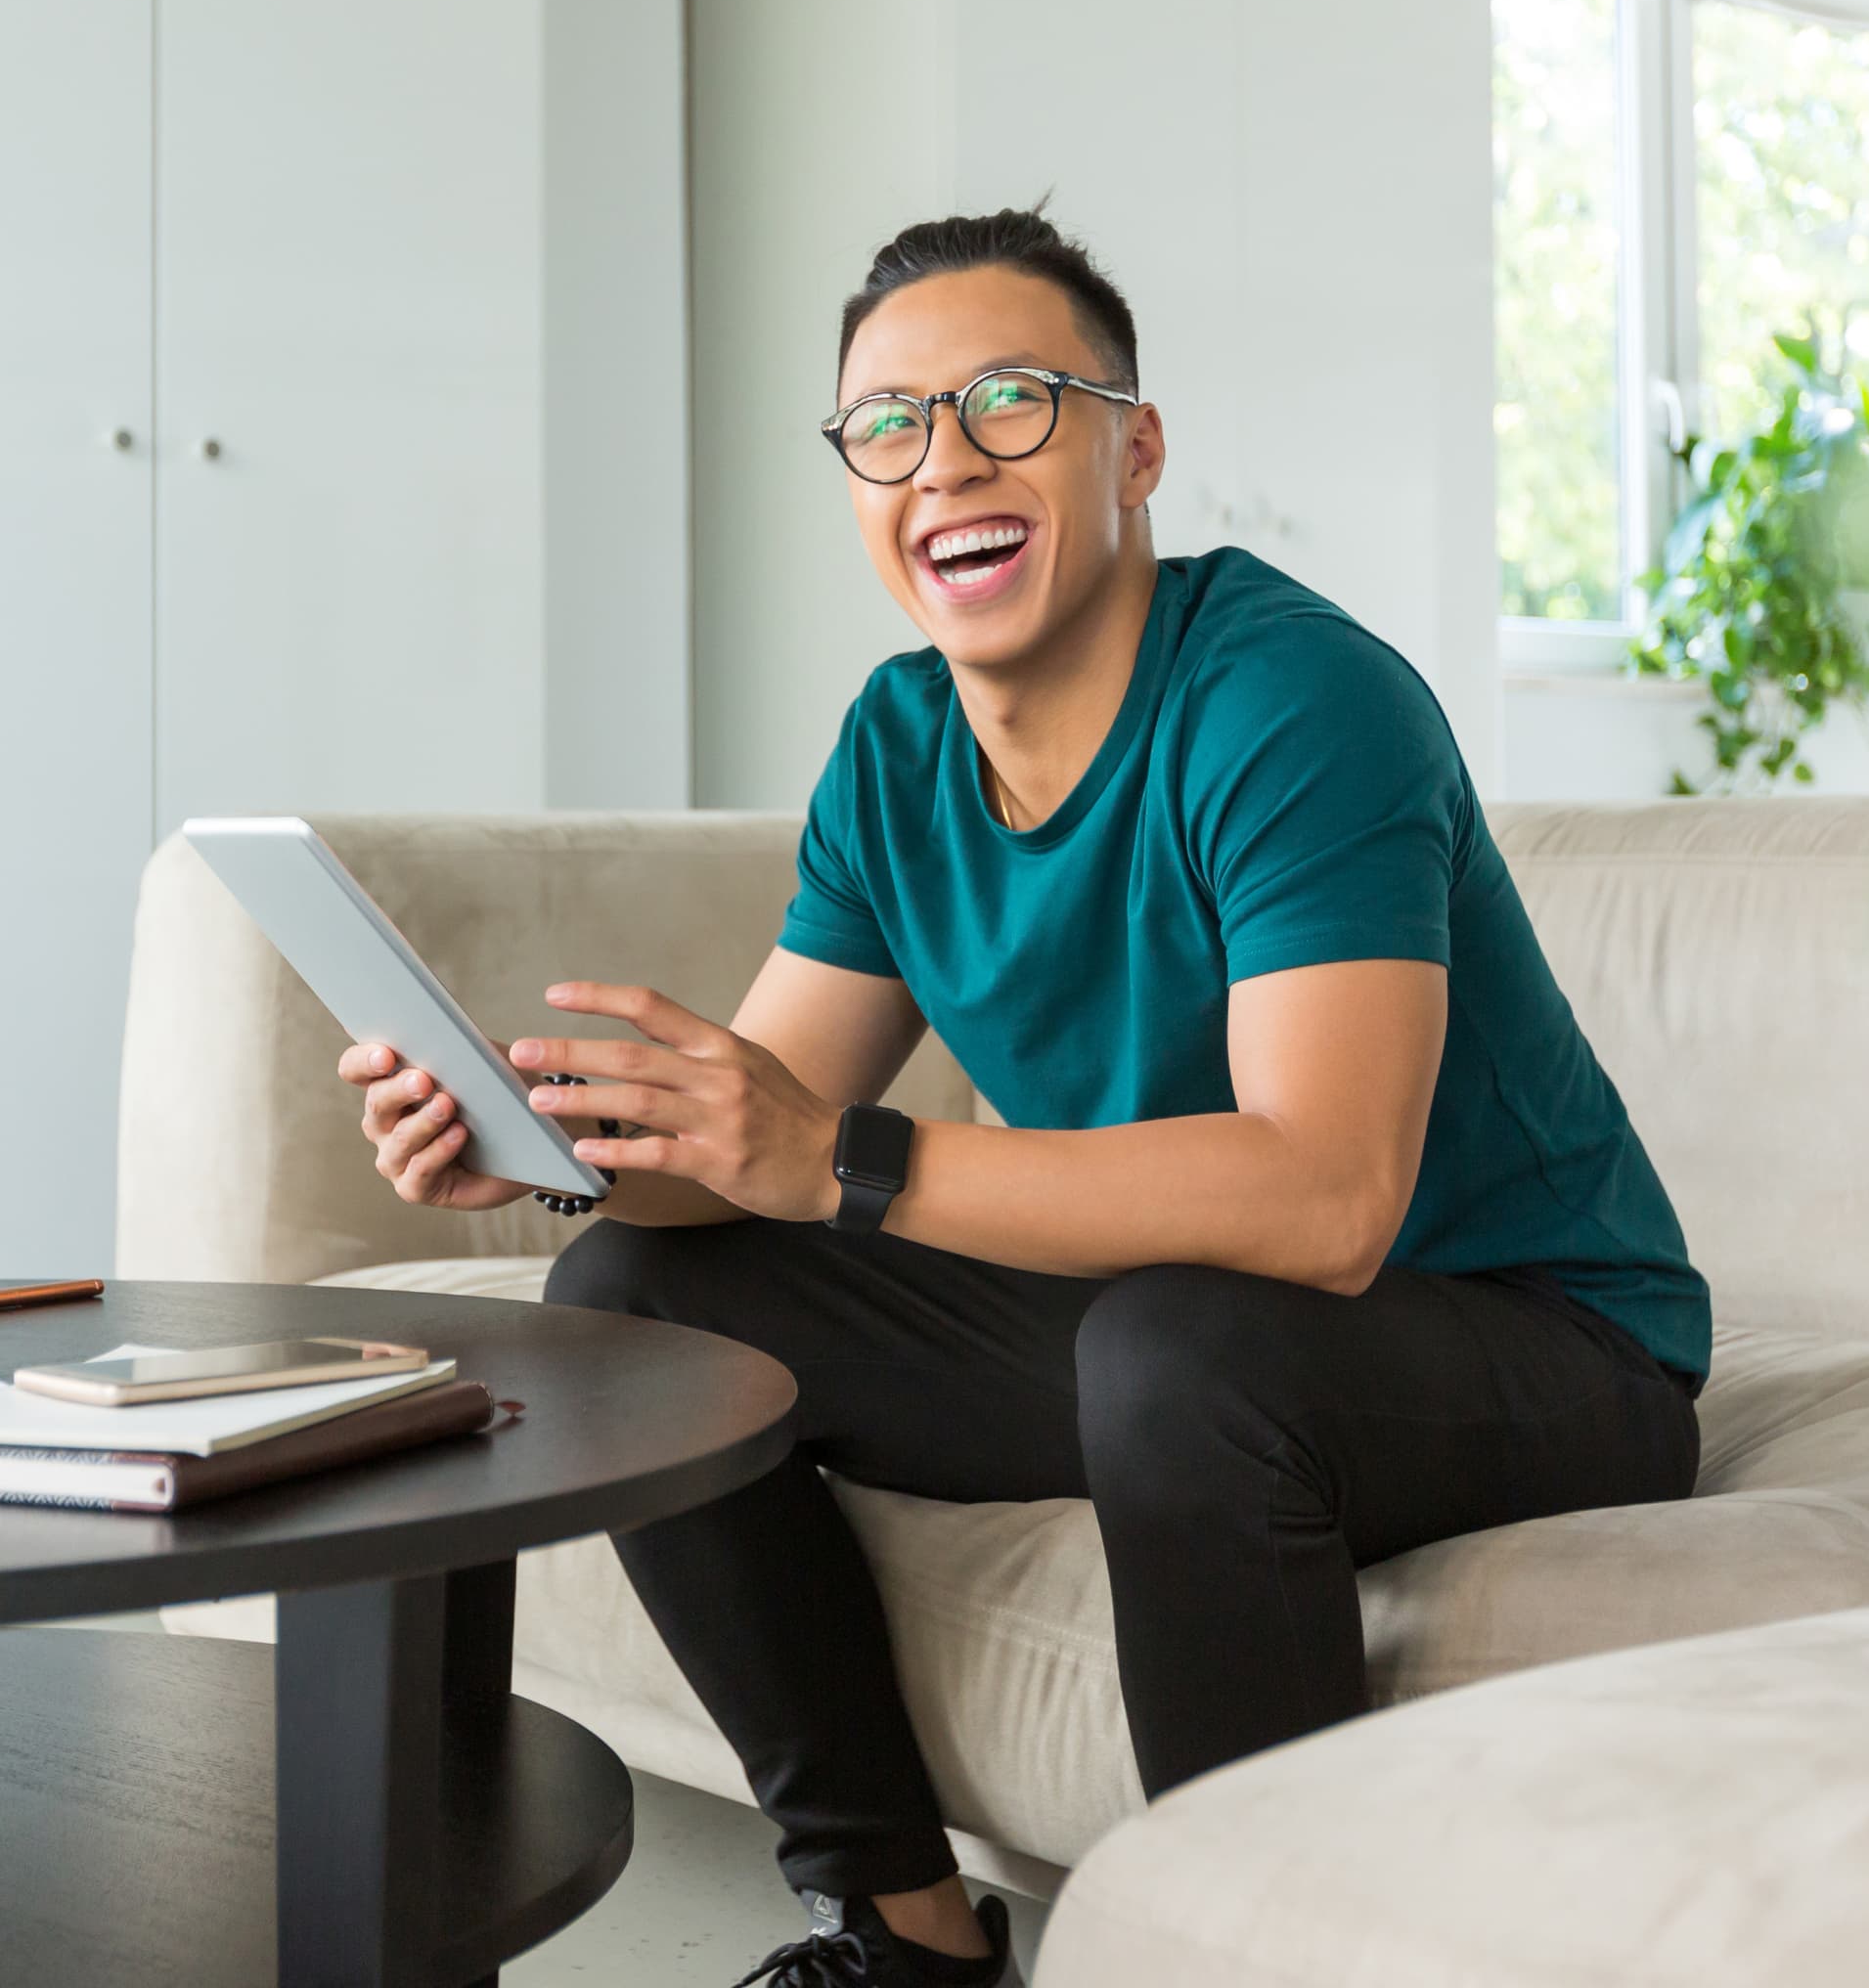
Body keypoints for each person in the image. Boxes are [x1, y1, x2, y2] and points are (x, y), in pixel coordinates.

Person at [338, 208, 1708, 1986]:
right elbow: (758, 1149)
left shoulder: (1294, 699)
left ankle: (1242, 1956)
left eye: (1009, 401)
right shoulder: (900, 747)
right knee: (635, 1308)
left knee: (1183, 1353)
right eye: (889, 425)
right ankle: (901, 1933)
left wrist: (831, 1155)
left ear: (1133, 448)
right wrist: (555, 1166)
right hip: (1185, 1328)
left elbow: (1324, 1199)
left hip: (1532, 1345)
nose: (944, 463)